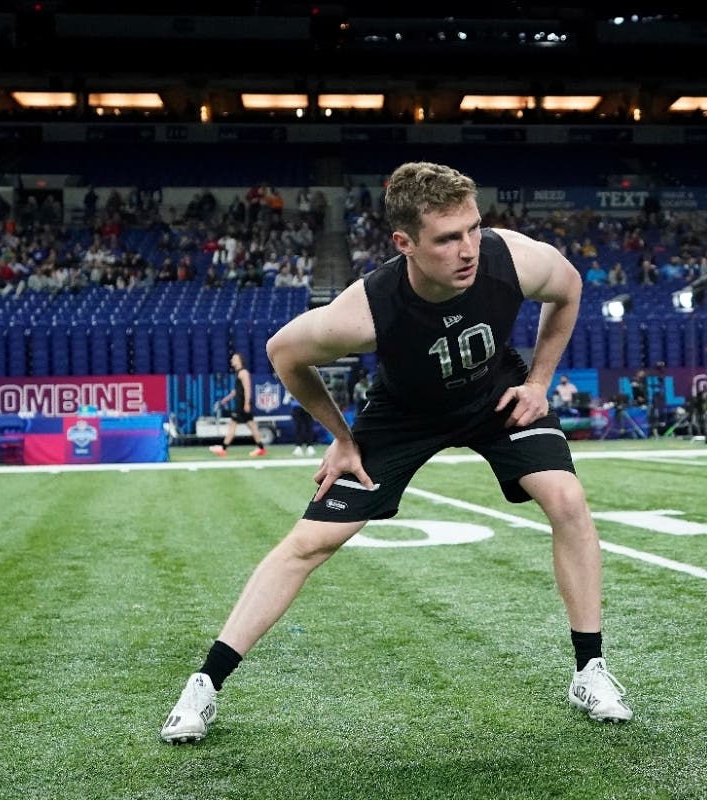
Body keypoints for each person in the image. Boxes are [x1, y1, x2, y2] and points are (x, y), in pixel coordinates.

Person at [160, 161, 632, 744]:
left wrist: (537, 383)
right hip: (404, 414)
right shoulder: (365, 310)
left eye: (473, 230)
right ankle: (204, 683)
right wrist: (342, 436)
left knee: (567, 497)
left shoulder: (513, 257)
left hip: (492, 394)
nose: (468, 250)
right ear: (404, 243)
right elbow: (284, 353)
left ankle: (589, 669)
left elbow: (569, 289)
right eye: (447, 238)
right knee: (311, 542)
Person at [209, 353, 268, 457]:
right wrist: (226, 399)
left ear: (240, 361)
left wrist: (246, 404)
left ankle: (223, 448)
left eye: (234, 359)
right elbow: (236, 391)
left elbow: (247, 388)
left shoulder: (243, 372)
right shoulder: (238, 373)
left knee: (233, 425)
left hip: (242, 405)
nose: (232, 360)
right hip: (241, 403)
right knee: (252, 426)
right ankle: (261, 448)